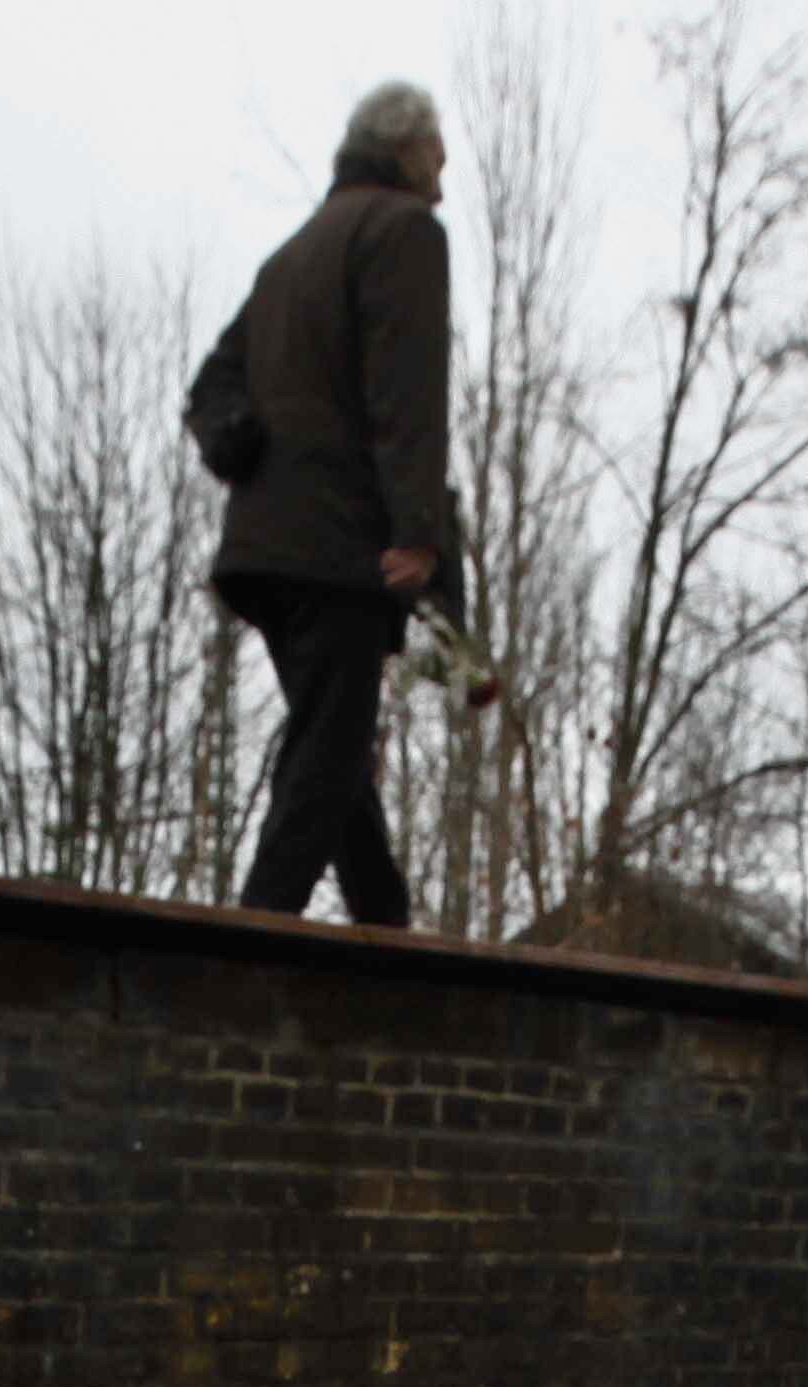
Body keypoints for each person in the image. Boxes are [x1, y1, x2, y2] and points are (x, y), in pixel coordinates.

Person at [187, 80, 466, 930]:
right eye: (439, 157)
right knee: (329, 747)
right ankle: (248, 945)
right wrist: (418, 534)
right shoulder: (405, 233)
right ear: (411, 152)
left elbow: (211, 385)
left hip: (268, 551)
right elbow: (407, 392)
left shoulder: (292, 256)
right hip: (342, 548)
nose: (444, 178)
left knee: (332, 742)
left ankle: (384, 920)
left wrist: (237, 444)